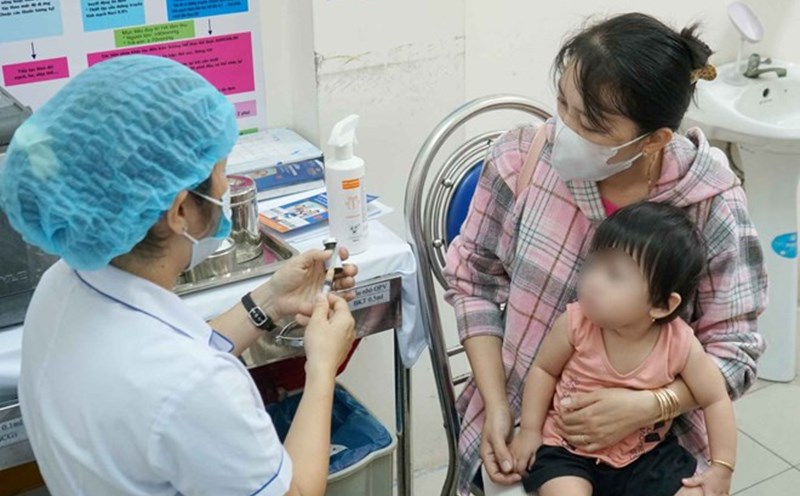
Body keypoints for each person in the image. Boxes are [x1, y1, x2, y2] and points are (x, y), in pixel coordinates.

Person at [0, 55, 358, 496]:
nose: (227, 187)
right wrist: (321, 366)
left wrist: (270, 299)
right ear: (181, 211)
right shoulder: (196, 387)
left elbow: (174, 351)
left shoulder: (61, 286)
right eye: (221, 171)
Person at [444, 13, 767, 495]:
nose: (564, 131)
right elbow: (474, 282)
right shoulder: (521, 159)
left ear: (655, 139)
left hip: (656, 442)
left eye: (592, 123)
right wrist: (498, 407)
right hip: (524, 420)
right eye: (563, 104)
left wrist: (653, 404)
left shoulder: (711, 205)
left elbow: (734, 351)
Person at [510, 202, 736, 496]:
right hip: (568, 451)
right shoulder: (576, 323)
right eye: (592, 265)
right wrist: (529, 430)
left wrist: (722, 466)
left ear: (662, 305)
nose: (593, 281)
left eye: (614, 275)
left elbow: (716, 398)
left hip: (647, 456)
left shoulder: (679, 343)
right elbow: (543, 370)